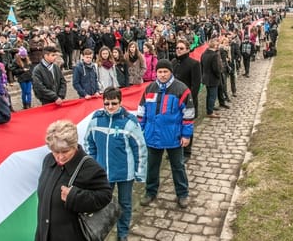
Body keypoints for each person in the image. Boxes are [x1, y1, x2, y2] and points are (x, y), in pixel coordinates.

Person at [84, 87, 147, 241]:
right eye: (107, 103)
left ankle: (123, 233)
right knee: (103, 205)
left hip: (125, 173)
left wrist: (140, 173)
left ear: (120, 102)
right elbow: (88, 143)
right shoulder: (96, 120)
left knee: (125, 204)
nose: (110, 107)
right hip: (103, 173)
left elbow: (140, 148)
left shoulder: (129, 123)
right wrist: (93, 163)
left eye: (114, 103)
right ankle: (102, 230)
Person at [35, 120, 112, 241]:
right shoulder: (48, 160)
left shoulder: (90, 168)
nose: (60, 157)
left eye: (65, 151)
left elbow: (105, 196)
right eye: (55, 151)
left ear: (74, 145)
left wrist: (74, 197)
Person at [137, 59, 194, 209]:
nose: (162, 75)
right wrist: (140, 129)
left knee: (178, 166)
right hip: (152, 136)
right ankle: (150, 192)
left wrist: (186, 135)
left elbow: (188, 114)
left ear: (171, 72)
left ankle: (182, 194)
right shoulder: (149, 88)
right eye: (159, 72)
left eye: (165, 72)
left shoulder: (181, 89)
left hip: (173, 137)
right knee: (152, 167)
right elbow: (142, 111)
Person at [171, 38, 202, 162]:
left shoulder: (194, 64)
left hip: (187, 101)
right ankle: (177, 149)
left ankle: (187, 151)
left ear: (187, 49)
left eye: (181, 48)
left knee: (186, 126)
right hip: (173, 100)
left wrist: (189, 101)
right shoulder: (173, 62)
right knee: (175, 125)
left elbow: (196, 85)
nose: (178, 50)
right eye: (177, 48)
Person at [201, 38, 221, 119]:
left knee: (209, 95)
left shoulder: (204, 53)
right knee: (212, 95)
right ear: (215, 45)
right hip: (213, 78)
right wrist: (219, 75)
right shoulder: (214, 55)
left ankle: (209, 109)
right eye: (217, 45)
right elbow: (216, 68)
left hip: (206, 77)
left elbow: (201, 65)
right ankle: (210, 112)